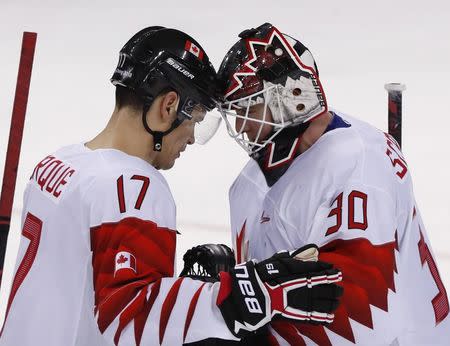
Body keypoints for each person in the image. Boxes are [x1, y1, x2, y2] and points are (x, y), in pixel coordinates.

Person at [0, 26, 343, 346]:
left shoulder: (56, 164)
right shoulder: (132, 186)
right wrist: (244, 295)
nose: (192, 138)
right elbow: (127, 317)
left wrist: (177, 292)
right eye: (194, 120)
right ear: (169, 105)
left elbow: (92, 287)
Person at [217, 22, 450, 345]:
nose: (241, 125)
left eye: (249, 107)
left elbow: (363, 317)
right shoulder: (247, 184)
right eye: (236, 112)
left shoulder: (360, 168)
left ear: (292, 95)